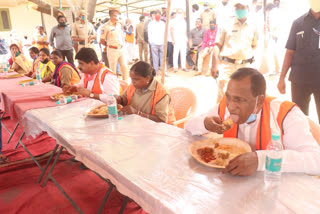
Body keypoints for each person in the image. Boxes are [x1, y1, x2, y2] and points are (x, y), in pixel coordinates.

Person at [185, 68, 320, 176]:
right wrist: (205, 123)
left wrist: (261, 160)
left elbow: (316, 160)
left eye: (239, 100)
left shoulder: (285, 114)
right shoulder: (224, 108)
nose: (231, 106)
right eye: (228, 97)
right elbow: (188, 126)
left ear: (259, 101)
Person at [277, 1, 320, 124]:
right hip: (299, 81)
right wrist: (281, 78)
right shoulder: (298, 23)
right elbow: (289, 52)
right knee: (299, 119)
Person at [211, 0, 258, 103]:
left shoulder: (253, 26)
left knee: (244, 96)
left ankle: (239, 119)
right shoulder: (226, 24)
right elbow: (217, 46)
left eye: (242, 7)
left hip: (245, 67)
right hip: (227, 66)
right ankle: (221, 118)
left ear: (248, 9)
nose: (239, 10)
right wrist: (214, 65)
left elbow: (254, 46)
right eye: (237, 7)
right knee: (223, 96)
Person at [100, 6, 128, 80]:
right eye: (116, 14)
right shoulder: (105, 26)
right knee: (113, 69)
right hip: (112, 50)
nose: (118, 16)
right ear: (112, 15)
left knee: (124, 67)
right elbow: (102, 40)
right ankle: (114, 85)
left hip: (120, 49)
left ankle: (126, 83)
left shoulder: (118, 25)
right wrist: (109, 45)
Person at [148, 10, 165, 74]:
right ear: (154, 16)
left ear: (160, 16)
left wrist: (164, 41)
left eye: (159, 15)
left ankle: (164, 72)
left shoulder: (162, 23)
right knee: (155, 59)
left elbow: (165, 33)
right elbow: (149, 33)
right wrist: (151, 42)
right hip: (154, 43)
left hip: (162, 43)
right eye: (156, 15)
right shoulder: (151, 23)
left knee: (162, 58)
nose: (158, 16)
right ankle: (156, 72)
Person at [170, 8, 188, 72]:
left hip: (183, 39)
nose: (180, 14)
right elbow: (171, 30)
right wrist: (173, 39)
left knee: (183, 53)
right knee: (176, 53)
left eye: (181, 13)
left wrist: (186, 38)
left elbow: (185, 30)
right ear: (176, 13)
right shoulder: (173, 21)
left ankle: (183, 66)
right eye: (179, 13)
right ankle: (175, 67)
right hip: (176, 39)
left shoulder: (184, 21)